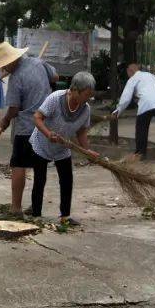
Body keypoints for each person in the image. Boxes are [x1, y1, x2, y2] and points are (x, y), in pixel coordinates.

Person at [0, 42, 54, 216]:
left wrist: (4, 121)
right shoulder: (39, 63)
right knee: (39, 167)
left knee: (19, 165)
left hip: (26, 127)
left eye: (5, 64)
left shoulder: (16, 78)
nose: (4, 68)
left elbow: (13, 108)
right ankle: (36, 208)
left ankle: (16, 208)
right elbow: (55, 77)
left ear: (12, 60)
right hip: (44, 126)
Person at [29, 72, 96, 225]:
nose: (88, 98)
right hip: (42, 143)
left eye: (90, 95)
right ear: (75, 90)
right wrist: (47, 134)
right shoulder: (55, 99)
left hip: (63, 146)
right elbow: (37, 117)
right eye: (86, 94)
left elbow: (81, 132)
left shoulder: (85, 109)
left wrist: (87, 150)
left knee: (67, 180)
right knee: (40, 179)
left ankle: (65, 216)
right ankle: (36, 215)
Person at [114, 63, 155, 161]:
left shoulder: (133, 79)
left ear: (130, 71)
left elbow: (126, 98)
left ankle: (140, 153)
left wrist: (118, 110)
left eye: (127, 72)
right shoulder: (150, 75)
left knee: (141, 128)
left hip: (146, 104)